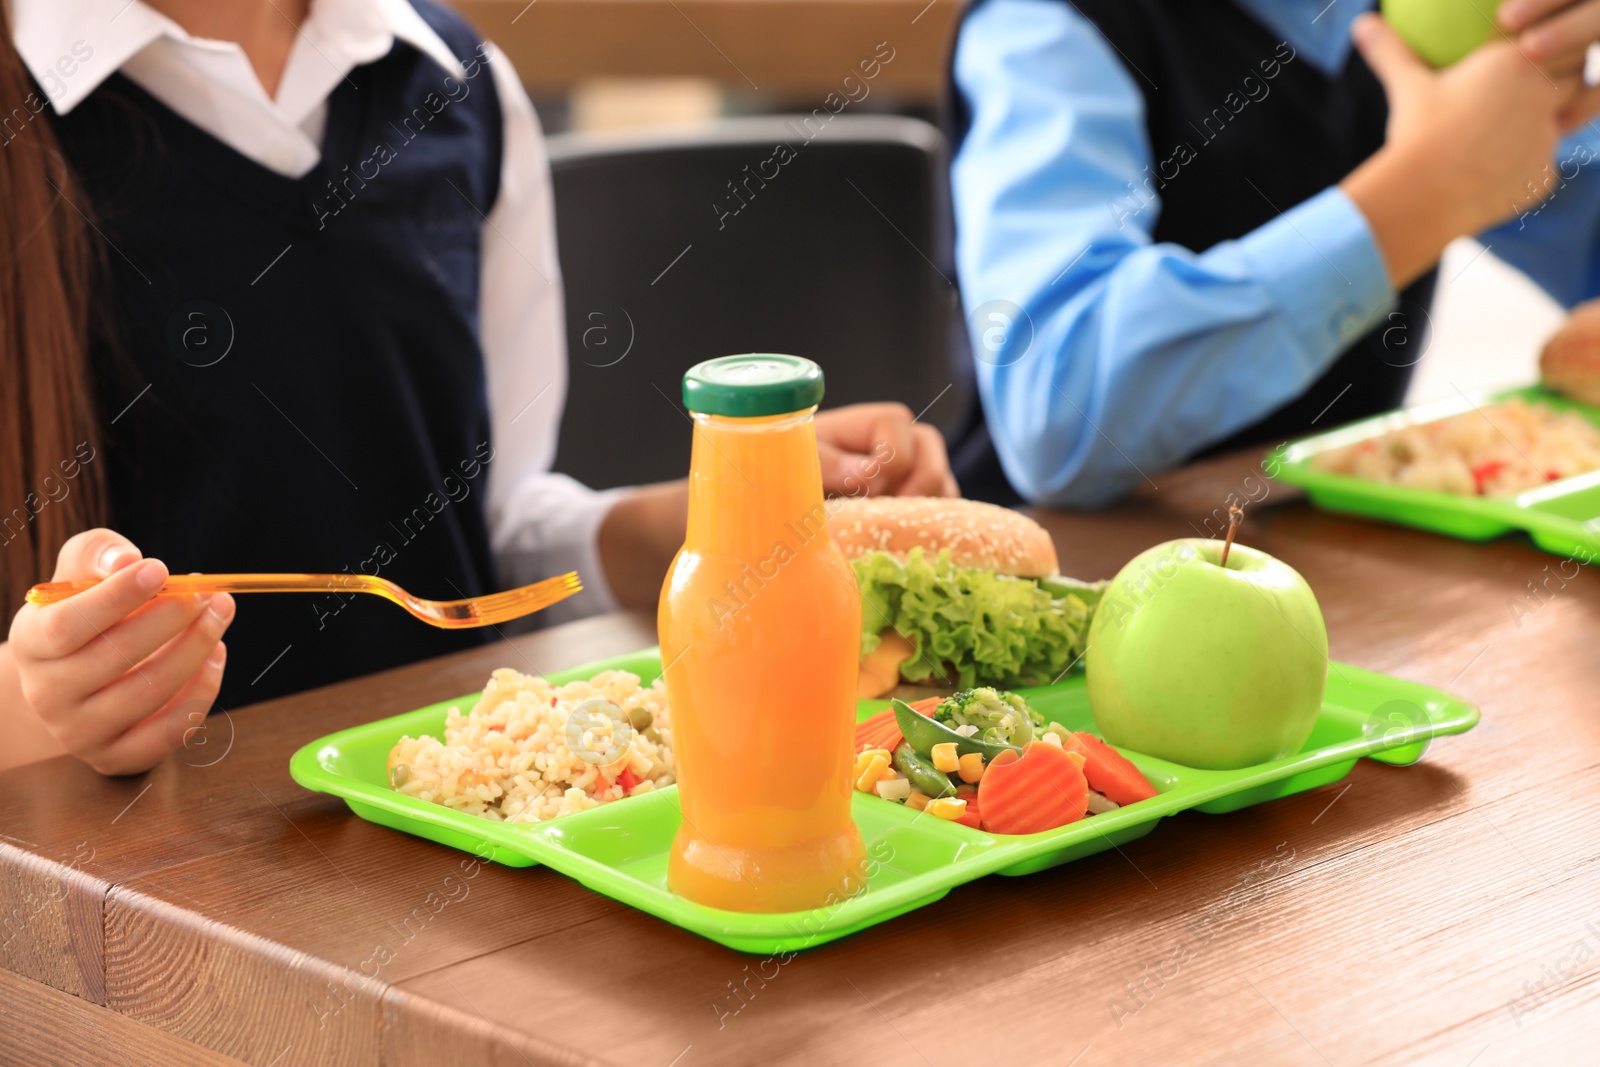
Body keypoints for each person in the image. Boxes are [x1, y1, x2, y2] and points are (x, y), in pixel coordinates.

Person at [0, 0, 956, 775]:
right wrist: (39, 705)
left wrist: (736, 509)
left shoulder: (461, 86)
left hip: (452, 814)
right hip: (144, 903)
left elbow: (489, 530)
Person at [948, 0, 1600, 506]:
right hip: (1056, 601)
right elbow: (1057, 414)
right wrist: (1420, 196)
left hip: (1346, 581)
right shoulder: (1043, 27)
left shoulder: (1411, 20)